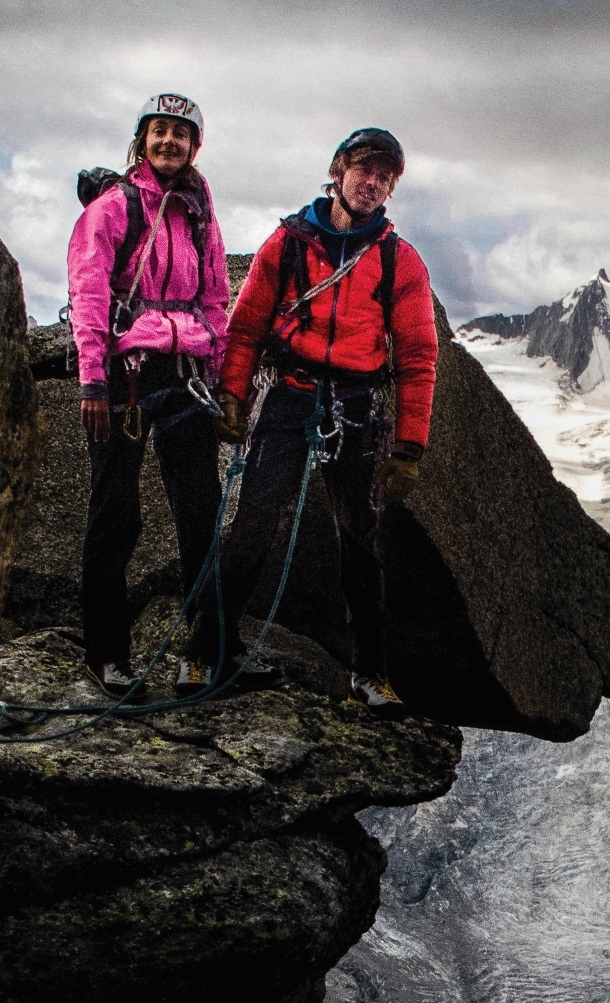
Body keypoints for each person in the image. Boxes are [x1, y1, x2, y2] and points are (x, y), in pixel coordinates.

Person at [208, 127, 437, 711]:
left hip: (356, 407)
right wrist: (233, 394)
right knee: (254, 523)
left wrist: (409, 446)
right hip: (292, 394)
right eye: (366, 170)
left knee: (360, 540)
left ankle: (371, 672)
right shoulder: (286, 244)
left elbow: (417, 357)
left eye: (387, 177)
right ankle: (209, 648)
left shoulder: (397, 259)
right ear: (338, 170)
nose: (375, 183)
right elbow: (246, 326)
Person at [65, 93, 238, 695]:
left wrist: (215, 371)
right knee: (116, 514)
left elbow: (214, 295)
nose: (170, 142)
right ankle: (105, 654)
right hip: (123, 374)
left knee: (200, 511)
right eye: (158, 132)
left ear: (195, 146)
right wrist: (90, 381)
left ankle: (211, 647)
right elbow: (88, 296)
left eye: (181, 134)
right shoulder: (114, 207)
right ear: (141, 141)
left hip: (183, 371)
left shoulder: (198, 212)